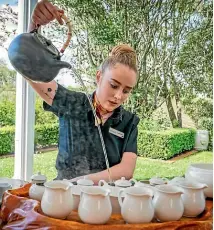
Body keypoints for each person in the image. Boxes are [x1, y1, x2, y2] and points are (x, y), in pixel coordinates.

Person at [26, 0, 140, 184]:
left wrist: (80, 183)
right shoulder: (71, 102)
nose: (119, 96)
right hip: (64, 197)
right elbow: (30, 67)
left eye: (126, 91)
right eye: (113, 85)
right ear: (98, 77)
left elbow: (126, 170)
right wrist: (35, 26)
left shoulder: (128, 122)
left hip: (108, 199)